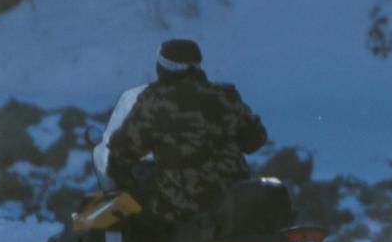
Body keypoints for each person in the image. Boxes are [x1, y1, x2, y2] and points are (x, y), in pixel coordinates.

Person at [100, 36, 269, 230]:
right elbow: (255, 140)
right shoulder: (225, 95)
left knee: (135, 224)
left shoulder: (155, 101)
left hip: (182, 205)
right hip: (234, 198)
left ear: (162, 66)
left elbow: (123, 149)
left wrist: (120, 171)